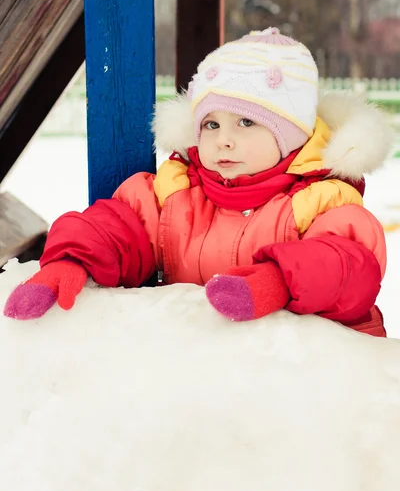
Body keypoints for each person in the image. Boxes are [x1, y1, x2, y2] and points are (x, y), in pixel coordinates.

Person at [4, 28, 393, 337]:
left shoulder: (323, 199)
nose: (224, 138)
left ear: (292, 135)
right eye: (211, 123)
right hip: (205, 370)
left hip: (303, 376)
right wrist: (72, 262)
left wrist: (277, 283)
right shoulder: (177, 191)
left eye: (246, 122)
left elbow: (349, 268)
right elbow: (118, 225)